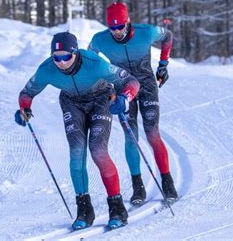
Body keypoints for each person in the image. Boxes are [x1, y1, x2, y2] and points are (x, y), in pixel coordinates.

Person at [14, 32, 140, 229]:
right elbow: (27, 92)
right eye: (56, 58)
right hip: (72, 103)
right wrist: (24, 108)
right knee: (76, 153)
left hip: (100, 99)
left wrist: (125, 98)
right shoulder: (46, 69)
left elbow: (131, 81)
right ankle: (84, 210)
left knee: (98, 150)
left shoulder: (94, 62)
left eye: (66, 57)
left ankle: (117, 207)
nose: (61, 63)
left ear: (75, 53)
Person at [88, 2, 178, 206]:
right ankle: (138, 186)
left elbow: (168, 36)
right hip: (122, 91)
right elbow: (90, 61)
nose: (117, 32)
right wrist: (103, 83)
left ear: (128, 21)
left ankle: (167, 181)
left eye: (120, 26)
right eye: (112, 28)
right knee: (131, 137)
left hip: (146, 86)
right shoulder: (100, 40)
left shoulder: (147, 32)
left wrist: (163, 64)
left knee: (152, 133)